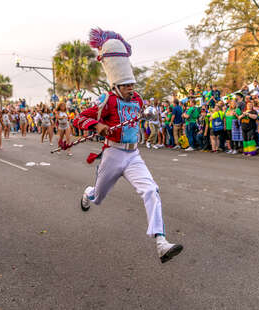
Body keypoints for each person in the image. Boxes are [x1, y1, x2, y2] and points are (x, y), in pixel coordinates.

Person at [75, 28, 182, 263]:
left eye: (132, 84)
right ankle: (88, 194)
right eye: (125, 85)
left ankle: (161, 242)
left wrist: (150, 115)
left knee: (151, 190)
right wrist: (96, 125)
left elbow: (147, 117)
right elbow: (79, 118)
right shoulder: (106, 100)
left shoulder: (139, 100)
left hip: (133, 155)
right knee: (98, 198)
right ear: (116, 86)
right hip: (112, 153)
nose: (130, 89)